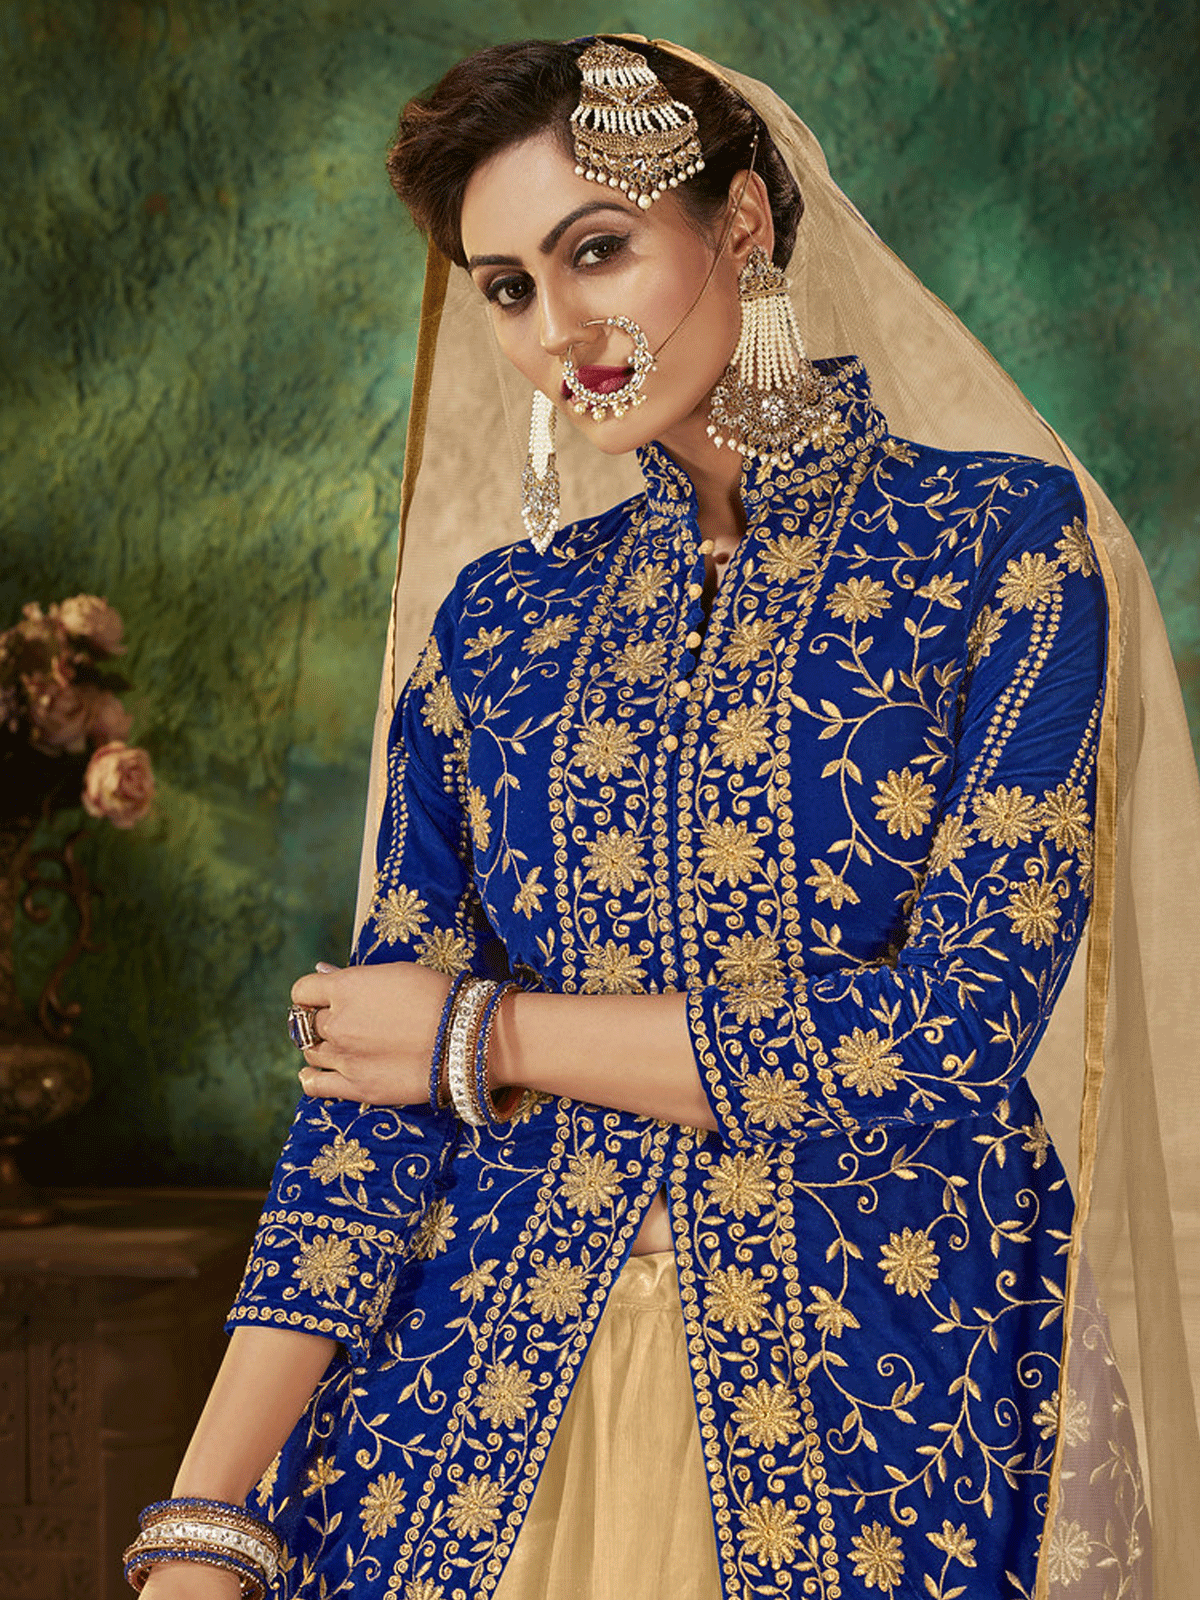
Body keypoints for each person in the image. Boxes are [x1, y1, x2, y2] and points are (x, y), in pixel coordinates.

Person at [126, 36, 1200, 1600]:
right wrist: (203, 1523)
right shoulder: (500, 626)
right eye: (508, 287)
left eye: (598, 251)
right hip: (477, 1410)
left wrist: (483, 1036)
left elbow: (951, 1031)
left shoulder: (998, 547)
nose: (561, 331)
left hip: (876, 1393)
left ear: (742, 222)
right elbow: (367, 1090)